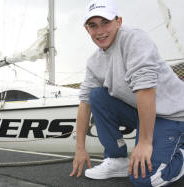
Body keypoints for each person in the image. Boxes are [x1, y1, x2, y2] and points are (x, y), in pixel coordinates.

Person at [69, 0, 184, 186]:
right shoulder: (93, 62)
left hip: (174, 116)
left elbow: (146, 88)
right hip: (146, 114)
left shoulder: (134, 39)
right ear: (86, 29)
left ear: (119, 21)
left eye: (105, 22)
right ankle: (117, 159)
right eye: (93, 25)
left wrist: (145, 144)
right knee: (96, 95)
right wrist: (80, 148)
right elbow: (85, 103)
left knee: (145, 179)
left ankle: (180, 155)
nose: (100, 31)